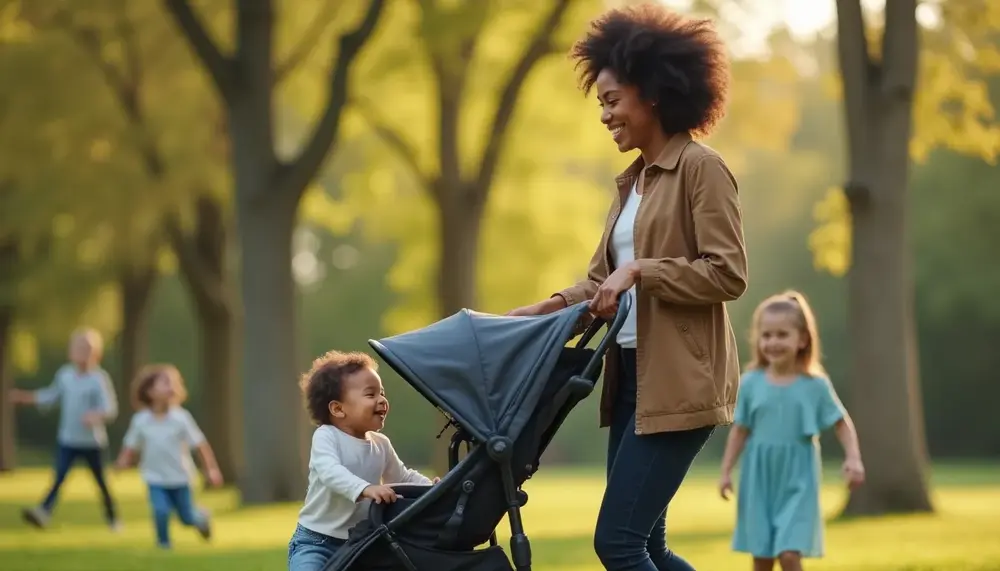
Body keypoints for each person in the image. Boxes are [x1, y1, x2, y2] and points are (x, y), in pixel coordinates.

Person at [507, 4, 747, 570]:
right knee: (648, 547)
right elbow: (599, 280)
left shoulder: (700, 168)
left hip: (682, 385)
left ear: (653, 94)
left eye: (612, 101)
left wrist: (642, 271)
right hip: (633, 380)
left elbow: (728, 272)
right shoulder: (633, 182)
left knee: (617, 543)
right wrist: (548, 307)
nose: (605, 116)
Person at [718, 291, 865, 571]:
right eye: (767, 335)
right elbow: (740, 431)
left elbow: (841, 422)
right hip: (758, 477)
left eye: (782, 335)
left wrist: (853, 458)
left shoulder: (815, 385)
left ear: (803, 339)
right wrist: (726, 471)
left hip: (799, 478)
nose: (773, 342)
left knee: (788, 554)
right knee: (761, 557)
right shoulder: (750, 383)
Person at [288, 350, 438, 571]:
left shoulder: (381, 443)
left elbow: (402, 476)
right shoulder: (326, 436)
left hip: (359, 542)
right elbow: (331, 472)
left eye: (382, 393)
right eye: (371, 395)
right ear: (338, 408)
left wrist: (432, 488)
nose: (382, 400)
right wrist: (366, 489)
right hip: (316, 541)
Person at [9, 327, 120, 531]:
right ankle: (43, 512)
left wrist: (95, 416)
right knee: (59, 477)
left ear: (96, 353)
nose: (81, 353)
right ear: (71, 351)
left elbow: (110, 408)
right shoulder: (65, 376)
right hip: (68, 439)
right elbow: (50, 396)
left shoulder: (99, 379)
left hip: (92, 442)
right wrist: (26, 398)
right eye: (78, 348)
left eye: (86, 349)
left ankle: (113, 518)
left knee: (101, 482)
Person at [114, 363, 223, 549]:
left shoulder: (181, 418)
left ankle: (201, 518)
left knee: (187, 518)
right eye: (165, 383)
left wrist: (211, 470)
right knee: (160, 510)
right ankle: (163, 544)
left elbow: (200, 446)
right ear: (149, 391)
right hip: (154, 477)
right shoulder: (141, 421)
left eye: (174, 383)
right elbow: (130, 446)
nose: (172, 387)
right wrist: (123, 461)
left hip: (181, 478)